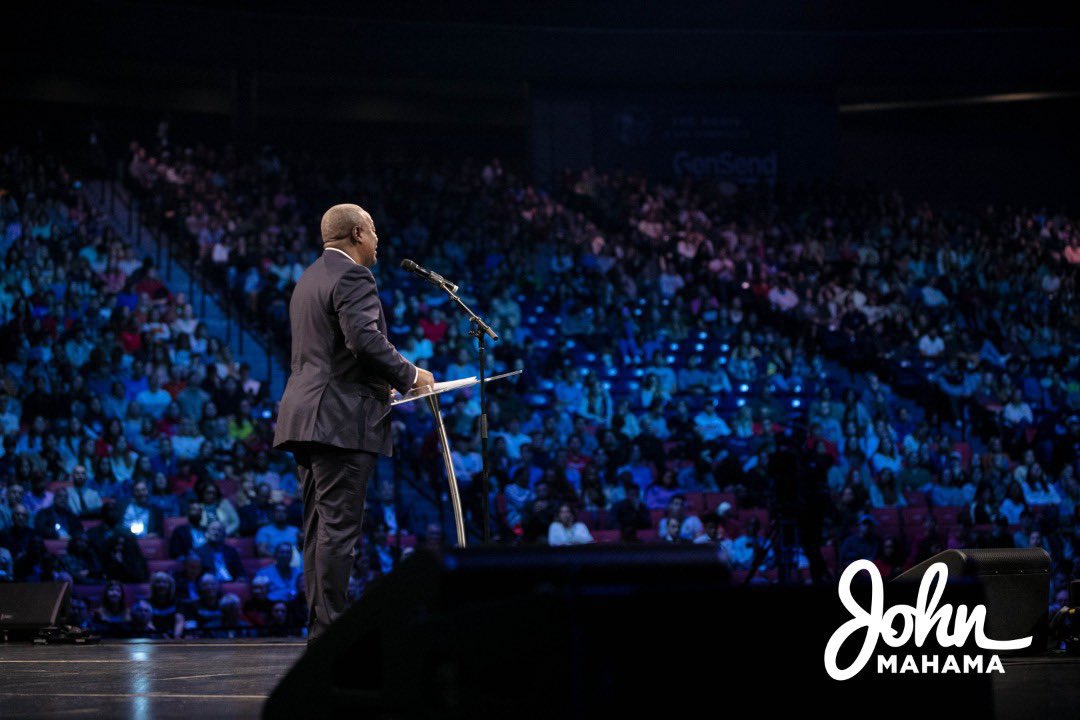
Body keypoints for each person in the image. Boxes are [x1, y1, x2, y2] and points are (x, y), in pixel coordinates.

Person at [272, 204, 433, 642]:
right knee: (338, 531)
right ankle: (333, 633)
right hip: (340, 421)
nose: (378, 240)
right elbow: (363, 339)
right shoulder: (354, 276)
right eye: (375, 231)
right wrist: (411, 375)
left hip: (306, 418)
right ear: (358, 233)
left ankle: (322, 629)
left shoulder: (308, 278)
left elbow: (333, 350)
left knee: (319, 530)